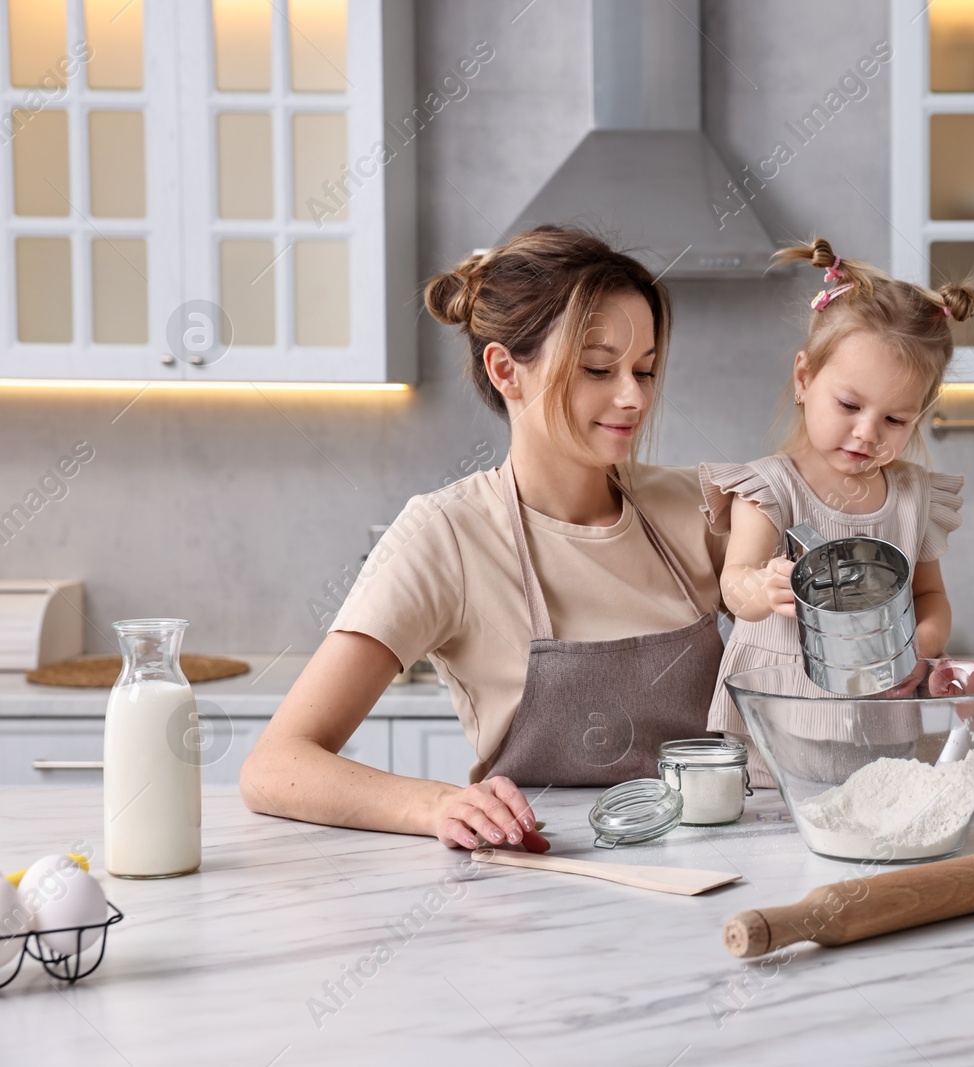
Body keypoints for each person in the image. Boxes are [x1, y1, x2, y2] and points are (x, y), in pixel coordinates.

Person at [240, 227, 725, 850]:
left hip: (712, 863)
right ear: (505, 370)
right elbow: (276, 766)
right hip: (547, 880)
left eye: (646, 370)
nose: (632, 397)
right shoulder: (447, 535)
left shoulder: (698, 507)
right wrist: (437, 804)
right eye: (599, 369)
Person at [699, 237, 974, 787]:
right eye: (850, 405)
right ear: (804, 380)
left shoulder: (910, 496)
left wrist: (912, 652)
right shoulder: (771, 488)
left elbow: (931, 599)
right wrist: (764, 588)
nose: (867, 433)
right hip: (774, 731)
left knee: (864, 835)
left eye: (896, 421)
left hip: (878, 734)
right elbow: (734, 586)